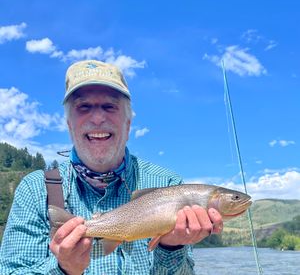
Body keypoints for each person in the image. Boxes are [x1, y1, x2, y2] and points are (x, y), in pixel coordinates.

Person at [0, 60, 223, 274]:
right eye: (84, 107)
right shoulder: (36, 190)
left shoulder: (167, 184)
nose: (97, 118)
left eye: (109, 106)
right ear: (69, 126)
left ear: (128, 124)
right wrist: (62, 270)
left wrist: (171, 247)